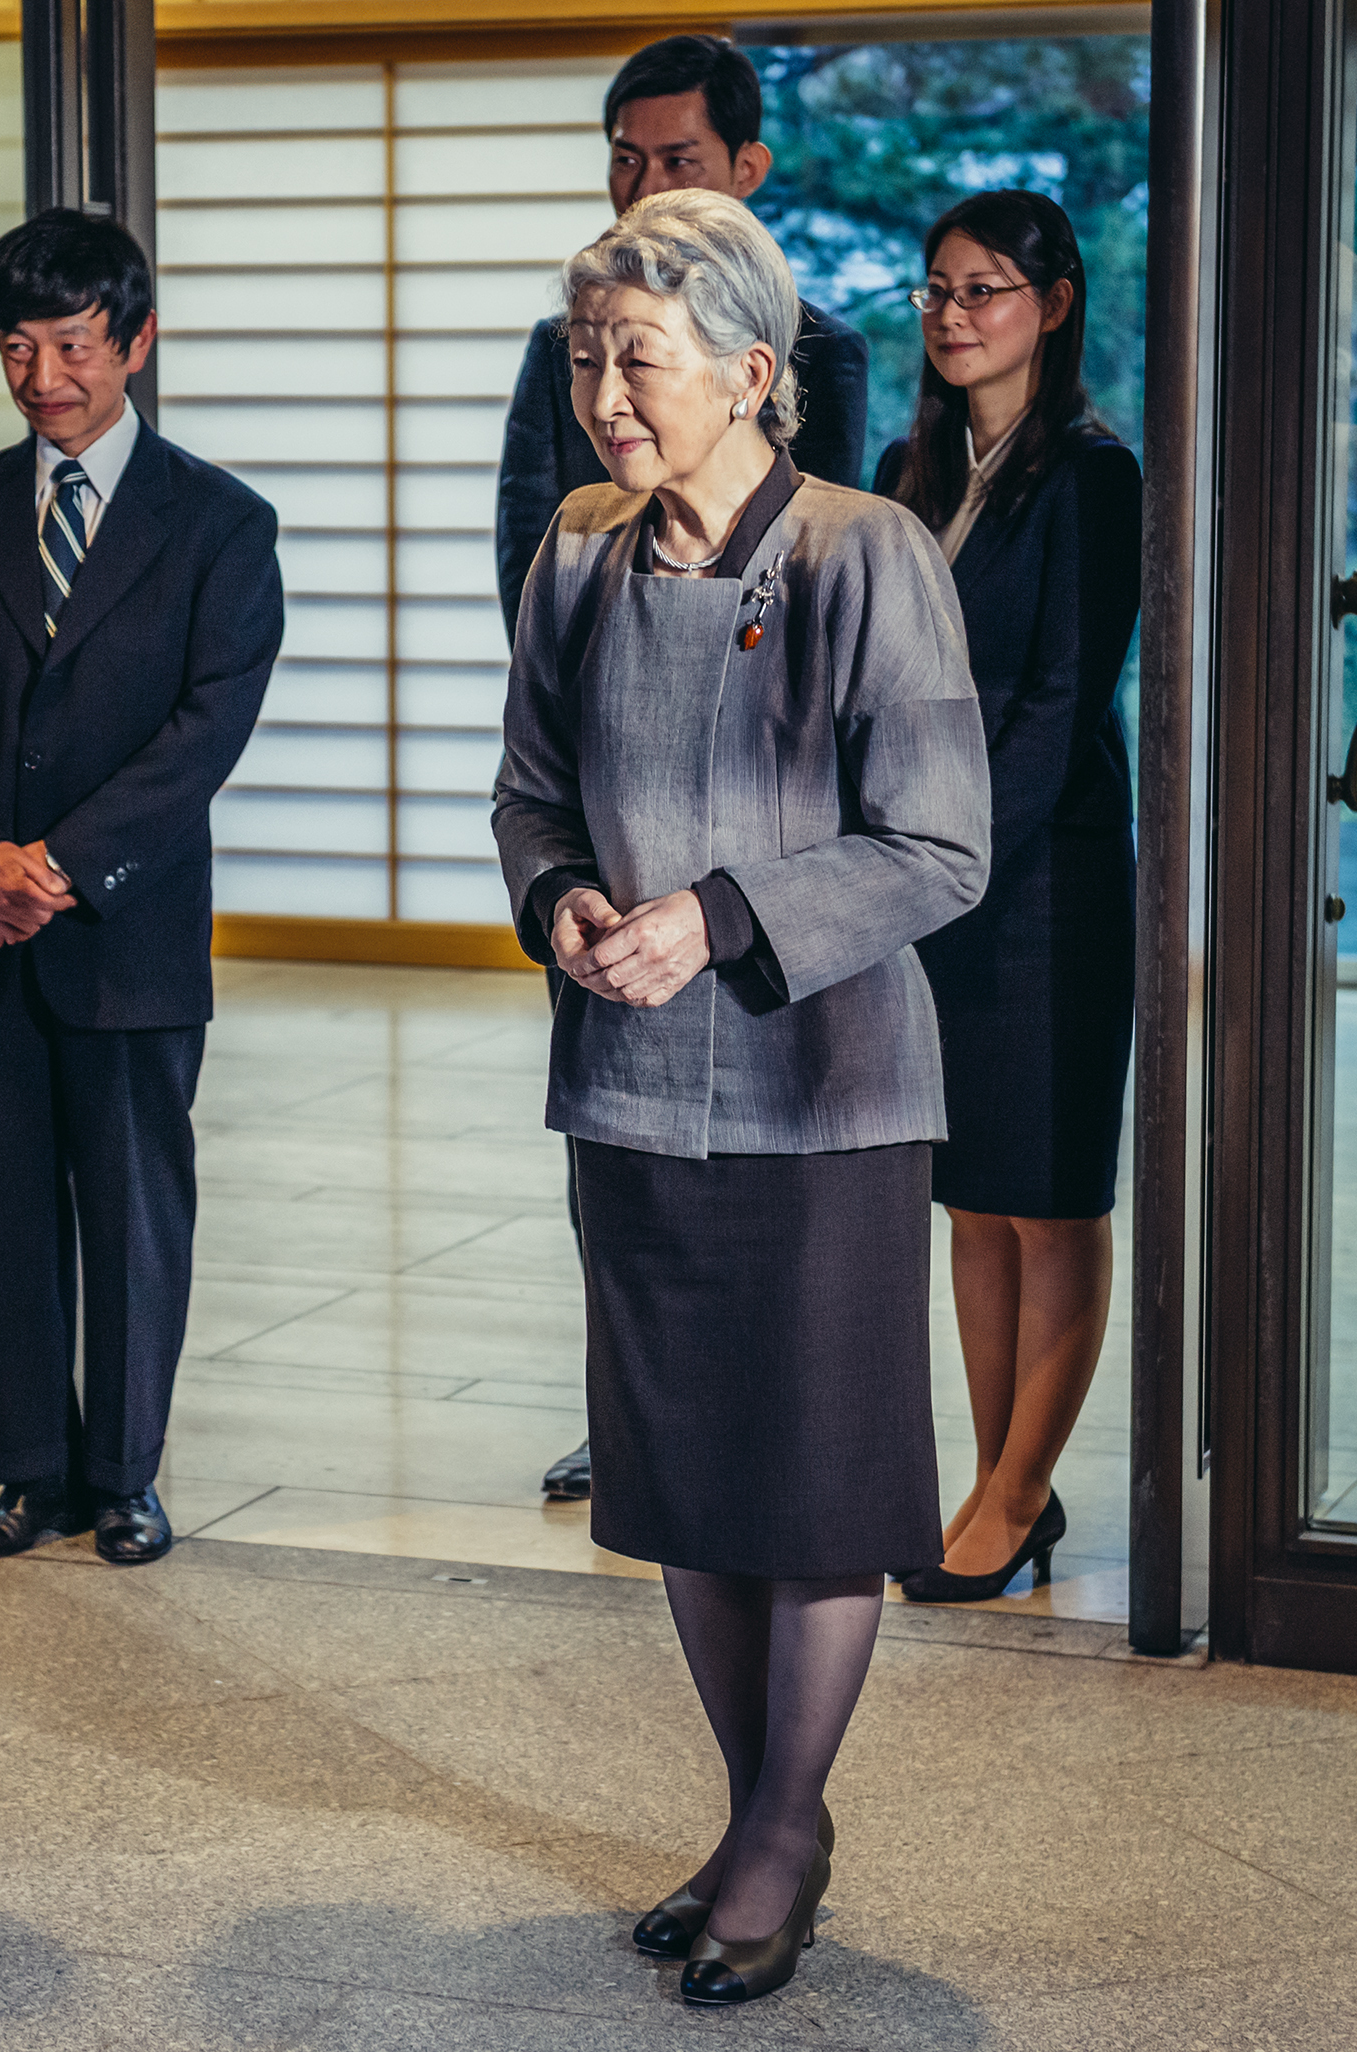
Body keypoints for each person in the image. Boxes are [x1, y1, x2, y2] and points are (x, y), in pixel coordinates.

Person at [492, 190, 986, 2007]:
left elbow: (942, 847)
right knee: (690, 1476)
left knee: (814, 1481)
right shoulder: (575, 551)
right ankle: (755, 1809)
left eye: (643, 359)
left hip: (829, 1092)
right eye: (587, 358)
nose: (607, 394)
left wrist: (716, 919)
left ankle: (785, 1831)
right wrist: (561, 902)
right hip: (627, 1084)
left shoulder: (869, 554)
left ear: (754, 373)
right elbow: (529, 792)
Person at [492, 32, 870, 1505]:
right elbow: (537, 533)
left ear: (746, 171)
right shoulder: (564, 351)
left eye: (677, 161)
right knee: (621, 1136)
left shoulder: (820, 352)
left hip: (769, 827)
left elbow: (799, 559)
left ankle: (771, 1412)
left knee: (779, 1142)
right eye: (624, 158)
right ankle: (634, 1404)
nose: (640, 185)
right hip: (607, 794)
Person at [0, 209, 284, 1569]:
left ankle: (125, 1474)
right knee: (0, 1208)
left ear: (137, 342)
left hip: (128, 931)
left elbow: (206, 730)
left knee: (129, 1209)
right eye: (17, 345)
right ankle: (24, 1471)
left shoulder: (222, 525)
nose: (43, 374)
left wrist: (59, 866)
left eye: (72, 344)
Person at [871, 191, 1139, 1605]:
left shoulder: (1094, 475)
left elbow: (1058, 699)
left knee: (1052, 1200)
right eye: (936, 291)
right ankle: (998, 1486)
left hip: (1044, 880)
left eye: (986, 290)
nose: (956, 315)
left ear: (1056, 303)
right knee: (973, 1201)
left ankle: (1022, 1486)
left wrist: (954, 863)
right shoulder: (905, 468)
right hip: (923, 878)